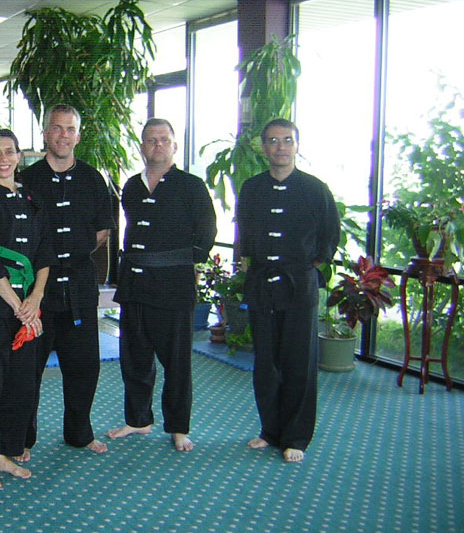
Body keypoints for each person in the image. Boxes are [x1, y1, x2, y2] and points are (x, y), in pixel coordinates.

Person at [108, 118, 217, 452]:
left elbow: (206, 233)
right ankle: (138, 419)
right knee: (134, 358)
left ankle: (179, 427)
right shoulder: (132, 186)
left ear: (174, 146)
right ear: (142, 147)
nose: (157, 145)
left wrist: (178, 262)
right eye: (150, 140)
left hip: (173, 287)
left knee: (177, 362)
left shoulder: (191, 186)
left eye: (163, 139)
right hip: (135, 284)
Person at [236, 118, 340, 463]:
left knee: (298, 361)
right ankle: (270, 430)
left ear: (297, 145)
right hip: (262, 282)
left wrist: (309, 264)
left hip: (299, 284)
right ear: (264, 148)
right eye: (273, 141)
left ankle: (295, 436)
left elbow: (330, 235)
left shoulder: (315, 189)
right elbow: (244, 231)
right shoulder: (252, 188)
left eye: (287, 140)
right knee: (266, 361)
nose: (280, 147)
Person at [18, 104, 114, 459]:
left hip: (79, 287)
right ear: (45, 133)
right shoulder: (26, 180)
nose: (63, 135)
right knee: (28, 369)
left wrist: (74, 249)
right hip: (35, 291)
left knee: (84, 367)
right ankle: (22, 438)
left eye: (70, 129)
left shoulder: (93, 179)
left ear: (78, 135)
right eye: (56, 128)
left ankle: (79, 433)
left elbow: (102, 230)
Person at [0, 129, 53, 488]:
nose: (3, 159)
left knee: (22, 381)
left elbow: (45, 254)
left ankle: (10, 446)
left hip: (28, 307)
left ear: (19, 156)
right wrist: (20, 306)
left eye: (9, 151)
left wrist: (35, 300)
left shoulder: (34, 201)